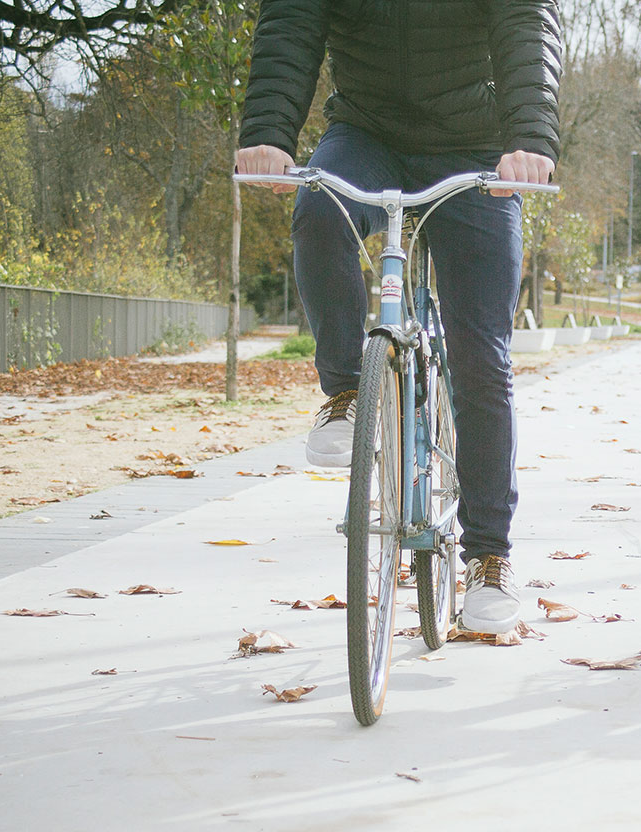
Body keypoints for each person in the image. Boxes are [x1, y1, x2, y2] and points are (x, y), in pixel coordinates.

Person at [235, 0, 562, 634]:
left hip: (474, 144)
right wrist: (270, 132)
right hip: (366, 135)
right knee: (320, 213)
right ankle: (347, 392)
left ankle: (489, 556)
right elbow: (293, 21)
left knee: (480, 356)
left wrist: (530, 140)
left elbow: (528, 24)